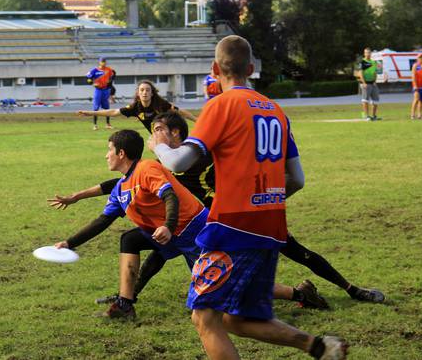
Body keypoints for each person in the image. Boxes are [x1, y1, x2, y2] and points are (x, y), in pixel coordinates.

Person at [53, 111, 383, 309]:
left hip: (229, 221)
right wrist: (78, 198)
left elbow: (246, 174)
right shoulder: (161, 163)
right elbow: (121, 187)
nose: (153, 138)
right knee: (148, 245)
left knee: (289, 253)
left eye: (157, 131)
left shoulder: (201, 155)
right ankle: (127, 301)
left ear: (176, 133)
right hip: (197, 227)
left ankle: (343, 289)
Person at [151, 36, 348, 359]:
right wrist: (264, 199)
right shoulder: (276, 111)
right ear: (252, 69)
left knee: (205, 317)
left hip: (232, 227)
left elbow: (178, 162)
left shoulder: (221, 104)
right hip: (271, 227)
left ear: (215, 70)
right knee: (238, 319)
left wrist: (159, 145)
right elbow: (296, 179)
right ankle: (318, 346)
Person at [53, 130, 209, 319]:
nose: (106, 155)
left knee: (214, 294)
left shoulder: (147, 168)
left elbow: (170, 196)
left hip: (195, 230)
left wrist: (167, 225)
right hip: (169, 233)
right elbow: (103, 221)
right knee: (130, 239)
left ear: (121, 153)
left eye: (109, 149)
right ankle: (124, 304)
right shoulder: (121, 188)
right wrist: (69, 243)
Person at [78, 80, 197, 132]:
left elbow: (181, 112)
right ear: (138, 93)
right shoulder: (135, 107)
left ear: (152, 93)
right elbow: (114, 112)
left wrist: (197, 121)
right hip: (158, 137)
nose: (145, 92)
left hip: (173, 134)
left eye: (147, 90)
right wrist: (91, 112)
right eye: (142, 90)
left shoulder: (161, 104)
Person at [85, 57, 116, 130]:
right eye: (102, 61)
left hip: (106, 90)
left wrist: (110, 82)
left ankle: (108, 124)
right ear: (99, 62)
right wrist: (92, 83)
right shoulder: (94, 70)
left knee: (107, 108)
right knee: (96, 108)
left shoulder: (109, 70)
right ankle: (95, 125)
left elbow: (113, 75)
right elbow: (87, 78)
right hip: (98, 90)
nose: (103, 63)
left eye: (104, 61)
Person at [357, 47, 380, 121]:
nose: (368, 54)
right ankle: (366, 116)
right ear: (364, 54)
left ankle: (374, 116)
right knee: (365, 100)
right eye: (366, 52)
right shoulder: (362, 62)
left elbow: (375, 73)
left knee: (375, 101)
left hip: (372, 83)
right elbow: (360, 74)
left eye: (369, 52)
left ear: (371, 53)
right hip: (365, 83)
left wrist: (374, 81)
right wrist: (364, 83)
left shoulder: (373, 62)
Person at [410, 54, 422, 120]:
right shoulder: (415, 65)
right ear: (417, 59)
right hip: (417, 86)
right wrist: (415, 85)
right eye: (420, 58)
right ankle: (412, 115)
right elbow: (413, 76)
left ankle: (419, 115)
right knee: (416, 99)